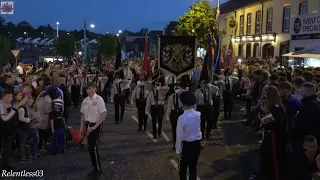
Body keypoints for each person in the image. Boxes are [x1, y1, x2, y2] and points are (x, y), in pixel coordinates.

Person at [80, 82, 107, 178]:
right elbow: (83, 115)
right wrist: (81, 128)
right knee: (90, 148)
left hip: (96, 125)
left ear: (95, 89)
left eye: (92, 88)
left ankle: (97, 170)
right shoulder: (85, 100)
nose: (90, 90)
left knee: (93, 147)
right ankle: (95, 168)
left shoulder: (99, 99)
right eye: (88, 89)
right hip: (88, 124)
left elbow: (103, 115)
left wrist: (94, 127)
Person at [176, 91, 202, 180]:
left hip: (186, 146)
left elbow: (179, 136)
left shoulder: (182, 118)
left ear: (183, 103)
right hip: (196, 144)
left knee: (183, 168)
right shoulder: (198, 114)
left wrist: (178, 151)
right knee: (193, 167)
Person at [0, 89, 20, 170]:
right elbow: (5, 118)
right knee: (6, 149)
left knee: (8, 149)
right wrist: (14, 110)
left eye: (11, 97)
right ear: (3, 97)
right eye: (8, 97)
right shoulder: (1, 106)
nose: (10, 99)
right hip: (5, 131)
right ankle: (4, 166)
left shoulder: (9, 104)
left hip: (10, 129)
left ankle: (6, 164)